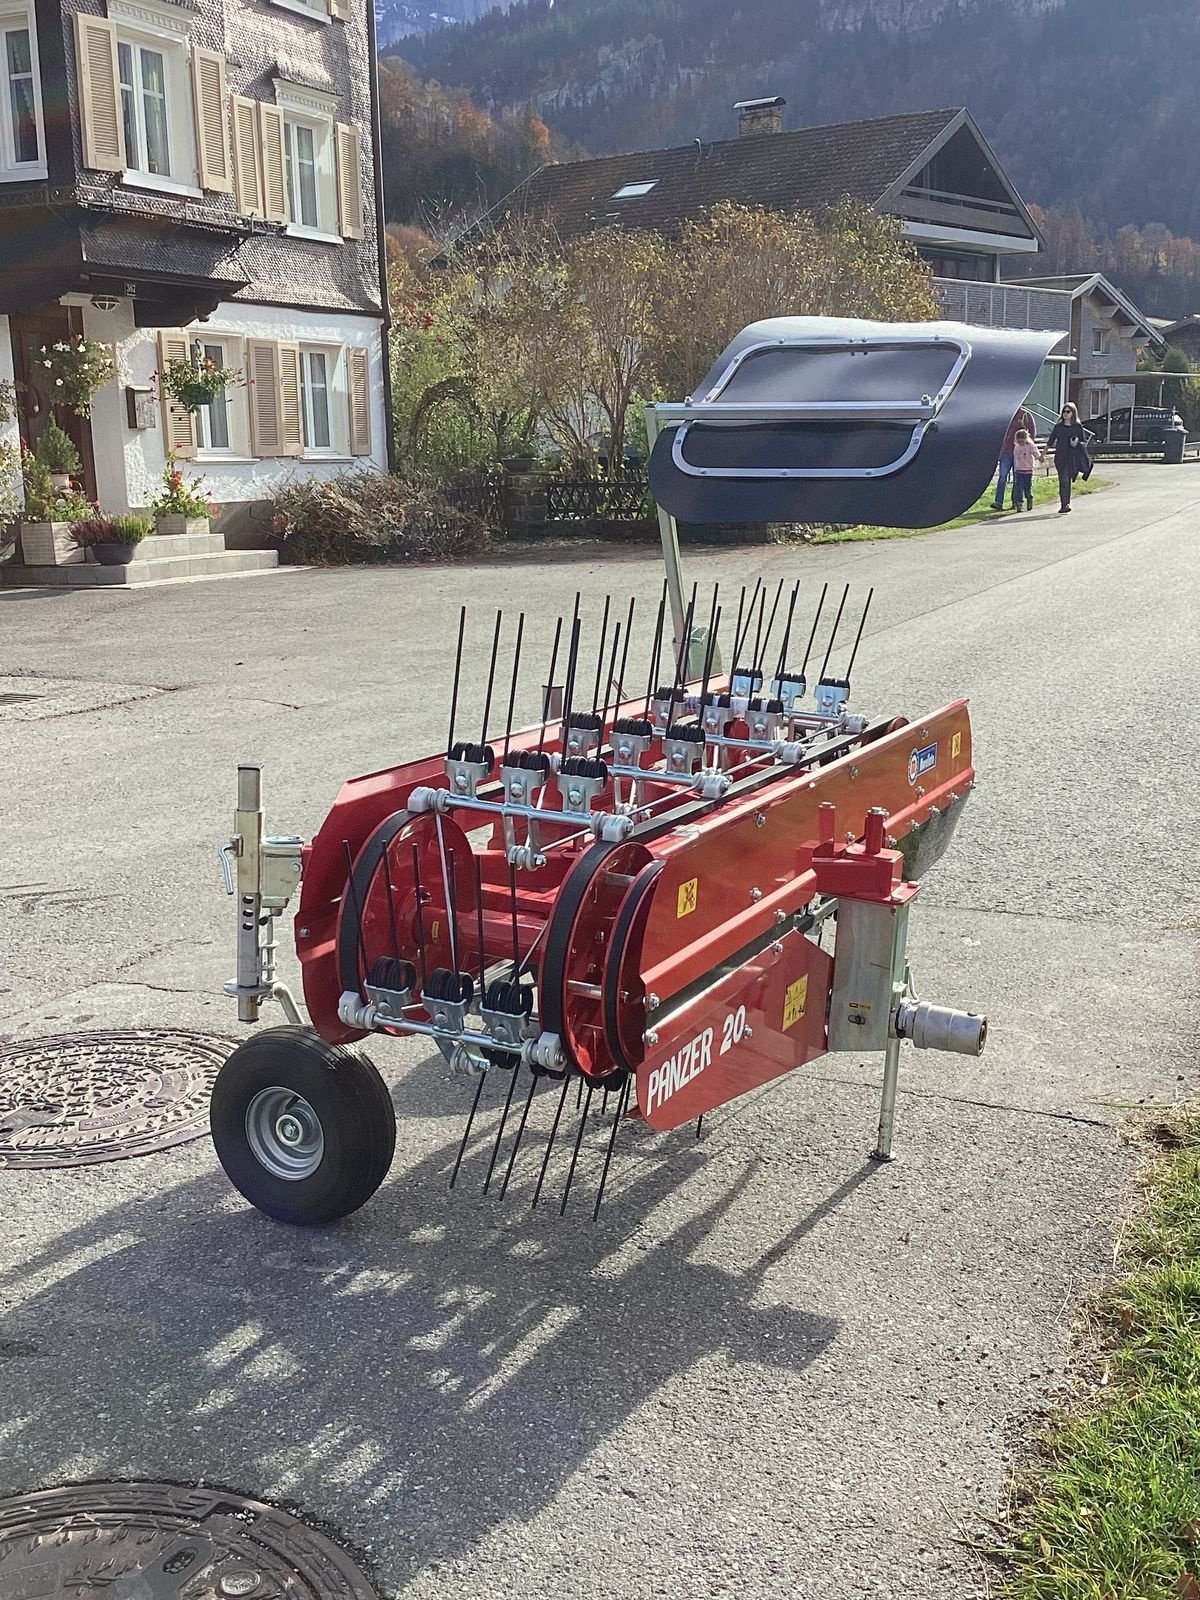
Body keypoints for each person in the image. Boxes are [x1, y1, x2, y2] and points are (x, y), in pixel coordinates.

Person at [993, 402, 1037, 510]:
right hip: (1006, 451)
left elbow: (1032, 431)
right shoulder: (1006, 414)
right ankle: (999, 502)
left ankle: (1016, 501)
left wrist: (1028, 446)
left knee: (1017, 479)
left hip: (1020, 453)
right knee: (1002, 477)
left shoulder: (1025, 415)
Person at [1047, 402, 1088, 513]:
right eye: (1064, 412)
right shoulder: (1058, 427)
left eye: (1068, 412)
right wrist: (1042, 454)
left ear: (1073, 413)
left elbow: (1083, 442)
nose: (1065, 414)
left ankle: (1067, 502)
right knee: (1063, 480)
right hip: (1060, 457)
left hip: (1072, 457)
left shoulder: (1077, 427)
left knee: (1068, 480)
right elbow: (1050, 441)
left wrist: (1076, 443)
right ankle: (1064, 504)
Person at [1011, 427, 1041, 511]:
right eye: (1019, 441)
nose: (1021, 442)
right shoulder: (1017, 447)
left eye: (1022, 441)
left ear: (1026, 439)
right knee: (1019, 487)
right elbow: (1015, 458)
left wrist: (1039, 457)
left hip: (1028, 469)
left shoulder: (1030, 446)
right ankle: (1019, 503)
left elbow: (1036, 453)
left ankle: (1029, 498)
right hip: (1019, 470)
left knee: (1027, 486)